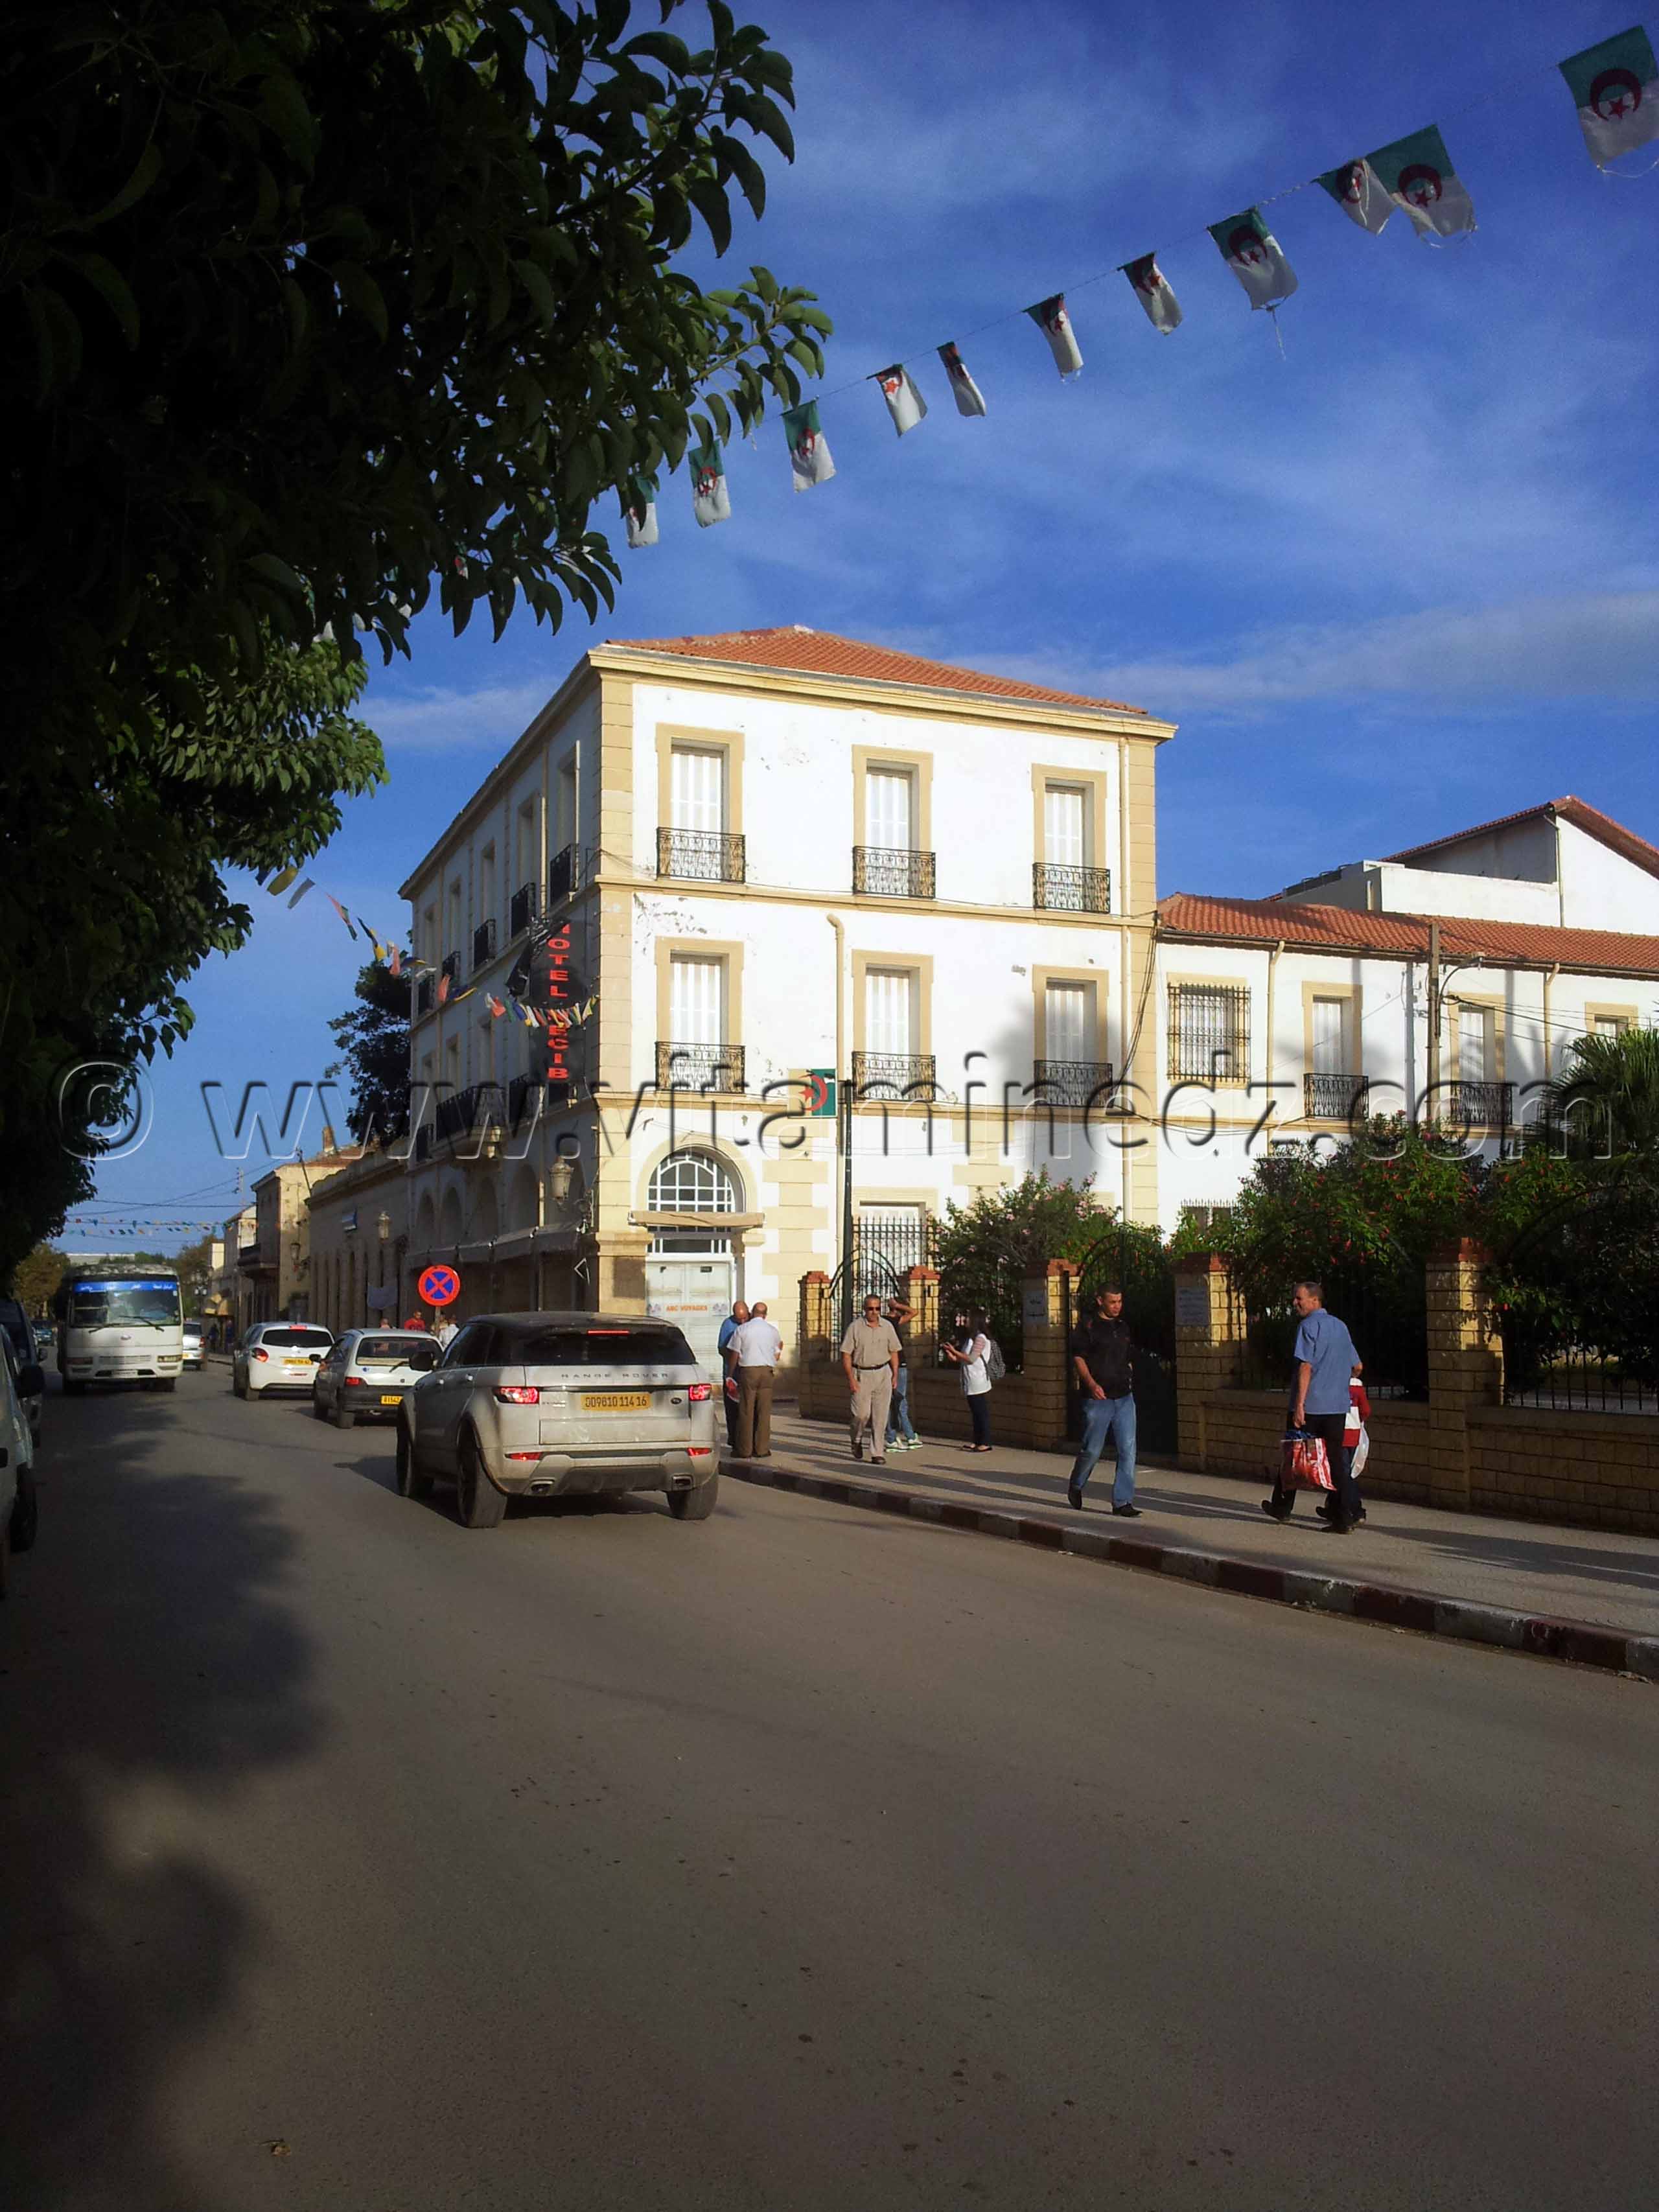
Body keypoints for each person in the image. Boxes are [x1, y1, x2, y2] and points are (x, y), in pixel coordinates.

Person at [1262, 1279, 1363, 1532]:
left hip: (1311, 1406)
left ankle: (1282, 1507)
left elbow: (1305, 1366)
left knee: (1294, 1454)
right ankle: (1345, 1516)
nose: (1295, 1303)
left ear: (1315, 1300)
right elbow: (1357, 1366)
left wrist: (1299, 1405)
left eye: (1299, 1298)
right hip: (1337, 1407)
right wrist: (1337, 1380)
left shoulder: (1308, 1326)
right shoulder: (1341, 1326)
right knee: (1337, 1462)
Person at [1067, 1285, 1141, 1517]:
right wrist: (1091, 1384)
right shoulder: (1088, 1326)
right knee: (1092, 1450)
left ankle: (1122, 1502)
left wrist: (1129, 1374)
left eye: (1120, 1302)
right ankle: (1077, 1484)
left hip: (1124, 1397)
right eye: (1112, 1302)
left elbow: (1128, 1356)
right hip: (1098, 1398)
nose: (1117, 1306)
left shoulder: (1122, 1327)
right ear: (1100, 1301)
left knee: (1128, 1450)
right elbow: (1079, 1358)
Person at [841, 1295, 901, 1463]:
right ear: (864, 1309)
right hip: (862, 1373)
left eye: (877, 1309)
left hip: (883, 1373)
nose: (874, 1312)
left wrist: (895, 1375)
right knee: (861, 1415)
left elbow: (894, 1351)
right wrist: (851, 1379)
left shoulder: (887, 1326)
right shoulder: (855, 1327)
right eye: (870, 1309)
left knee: (881, 1416)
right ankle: (856, 1439)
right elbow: (846, 1354)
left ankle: (877, 1452)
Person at [727, 1299, 782, 1458]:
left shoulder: (742, 1330)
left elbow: (735, 1354)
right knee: (764, 1411)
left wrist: (730, 1374)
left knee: (746, 1410)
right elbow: (777, 1354)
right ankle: (762, 1449)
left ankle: (745, 1450)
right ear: (765, 1315)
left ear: (752, 1313)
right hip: (767, 1372)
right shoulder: (773, 1331)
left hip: (748, 1372)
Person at [943, 1310, 994, 1452]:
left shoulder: (981, 1338)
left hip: (978, 1380)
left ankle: (985, 1442)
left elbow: (972, 1359)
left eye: (968, 1318)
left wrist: (955, 1351)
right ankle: (977, 1441)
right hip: (969, 1380)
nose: (966, 1320)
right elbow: (964, 1358)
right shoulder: (971, 1338)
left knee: (981, 1412)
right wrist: (953, 1356)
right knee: (975, 1412)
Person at [883, 1298, 922, 1451]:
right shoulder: (892, 1321)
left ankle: (903, 1435)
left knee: (893, 1402)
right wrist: (898, 1305)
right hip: (899, 1365)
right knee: (899, 1402)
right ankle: (901, 1437)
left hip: (888, 1364)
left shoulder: (885, 1322)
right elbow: (914, 1312)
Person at [716, 1299, 750, 1451]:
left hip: (747, 1374)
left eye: (744, 1318)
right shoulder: (728, 1324)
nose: (742, 1322)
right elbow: (722, 1349)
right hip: (732, 1375)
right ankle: (734, 1441)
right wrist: (734, 1355)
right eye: (738, 1319)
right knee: (732, 1411)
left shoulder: (754, 1324)